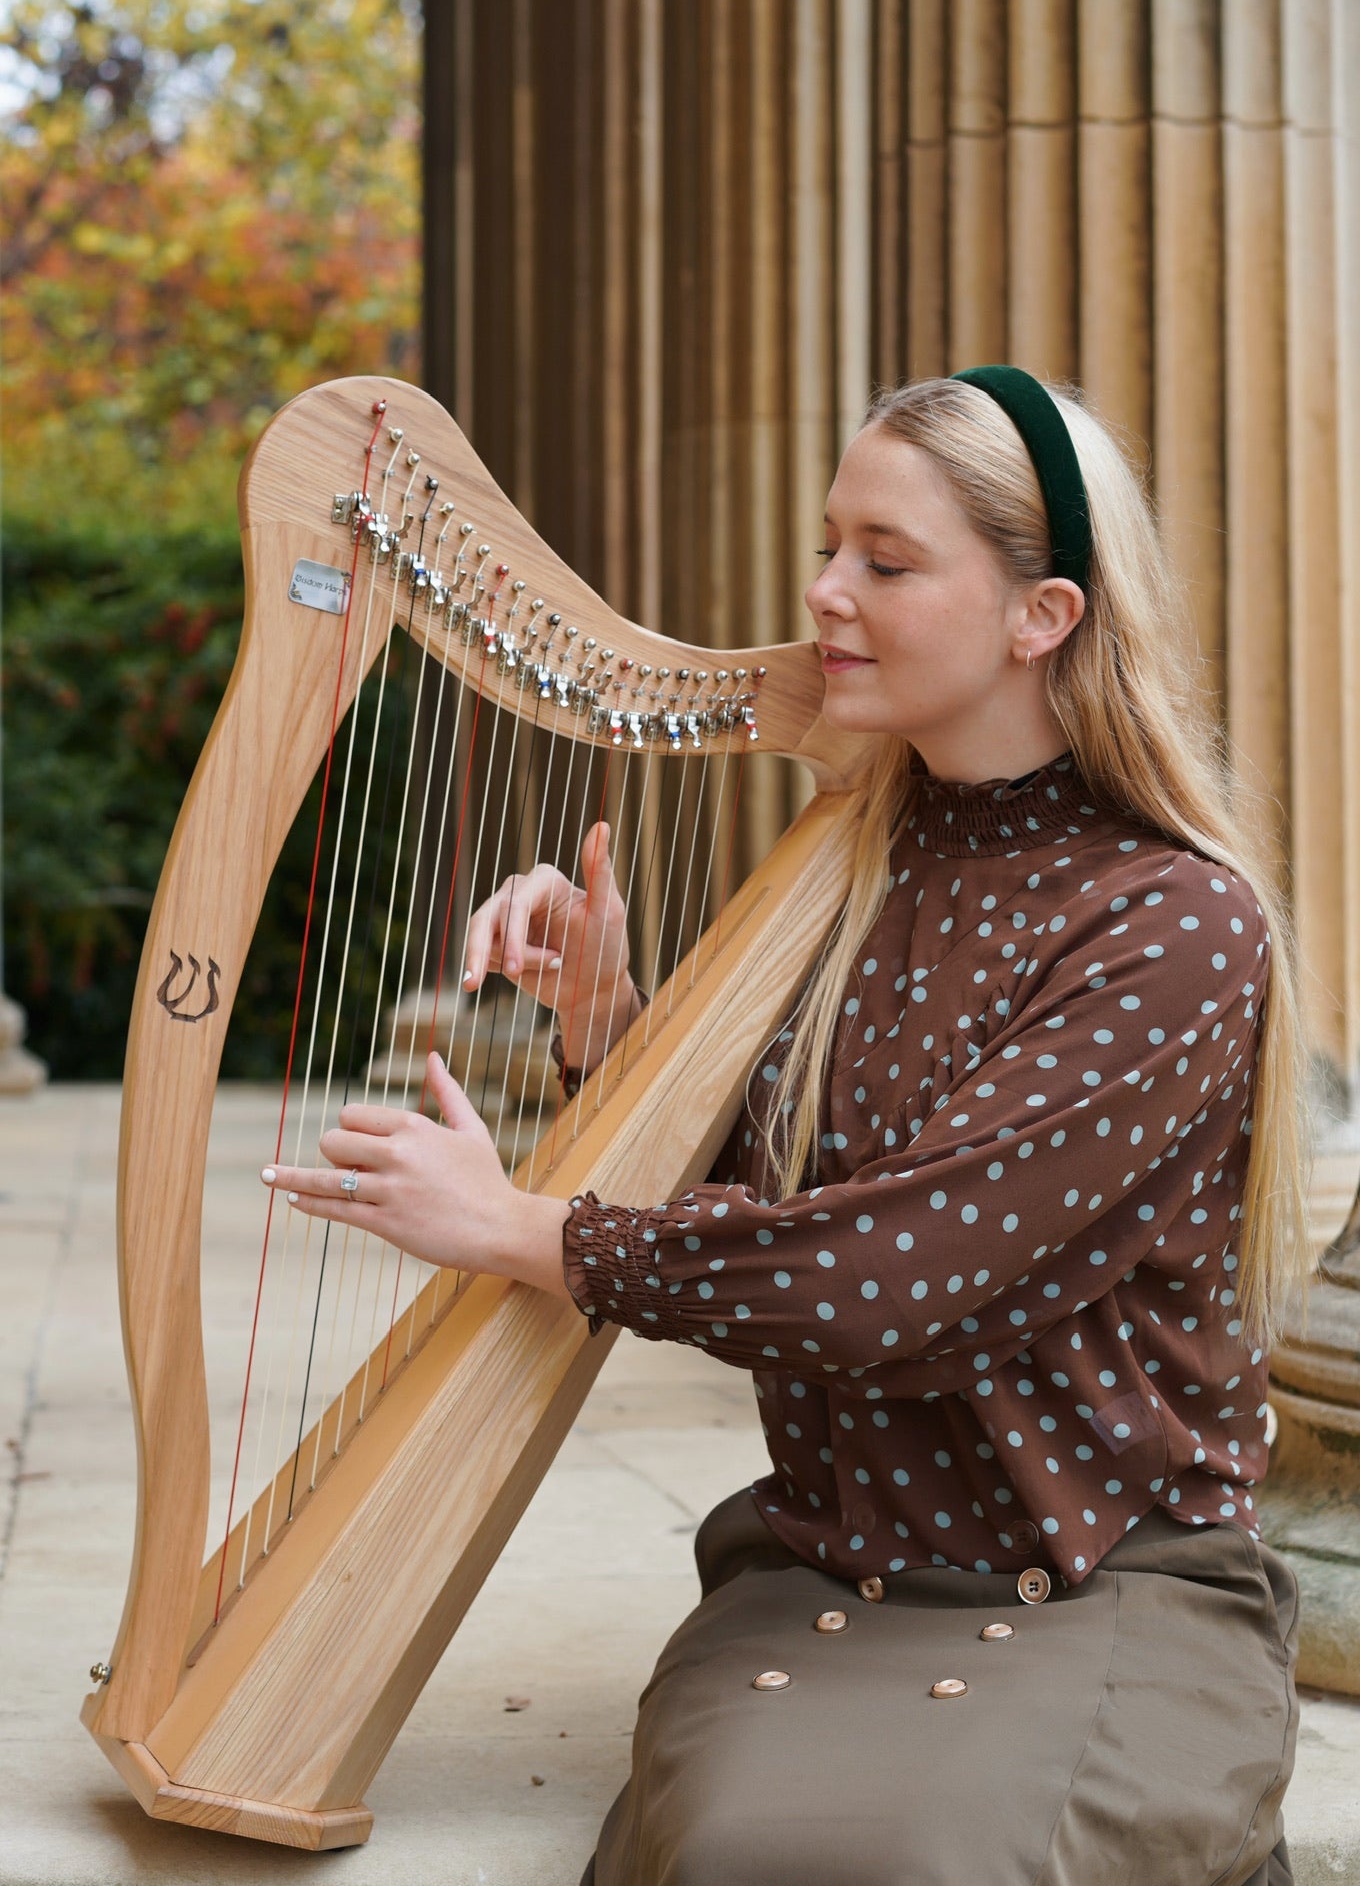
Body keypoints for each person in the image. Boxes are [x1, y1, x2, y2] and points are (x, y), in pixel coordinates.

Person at [263, 370, 1308, 1885]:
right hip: (832, 1569)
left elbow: (884, 1284)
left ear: (1046, 616)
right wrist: (608, 1029)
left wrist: (526, 1230)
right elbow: (785, 1193)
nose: (824, 592)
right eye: (832, 546)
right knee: (742, 1851)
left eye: (886, 561)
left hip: (1104, 1584)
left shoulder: (1169, 923)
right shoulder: (855, 872)